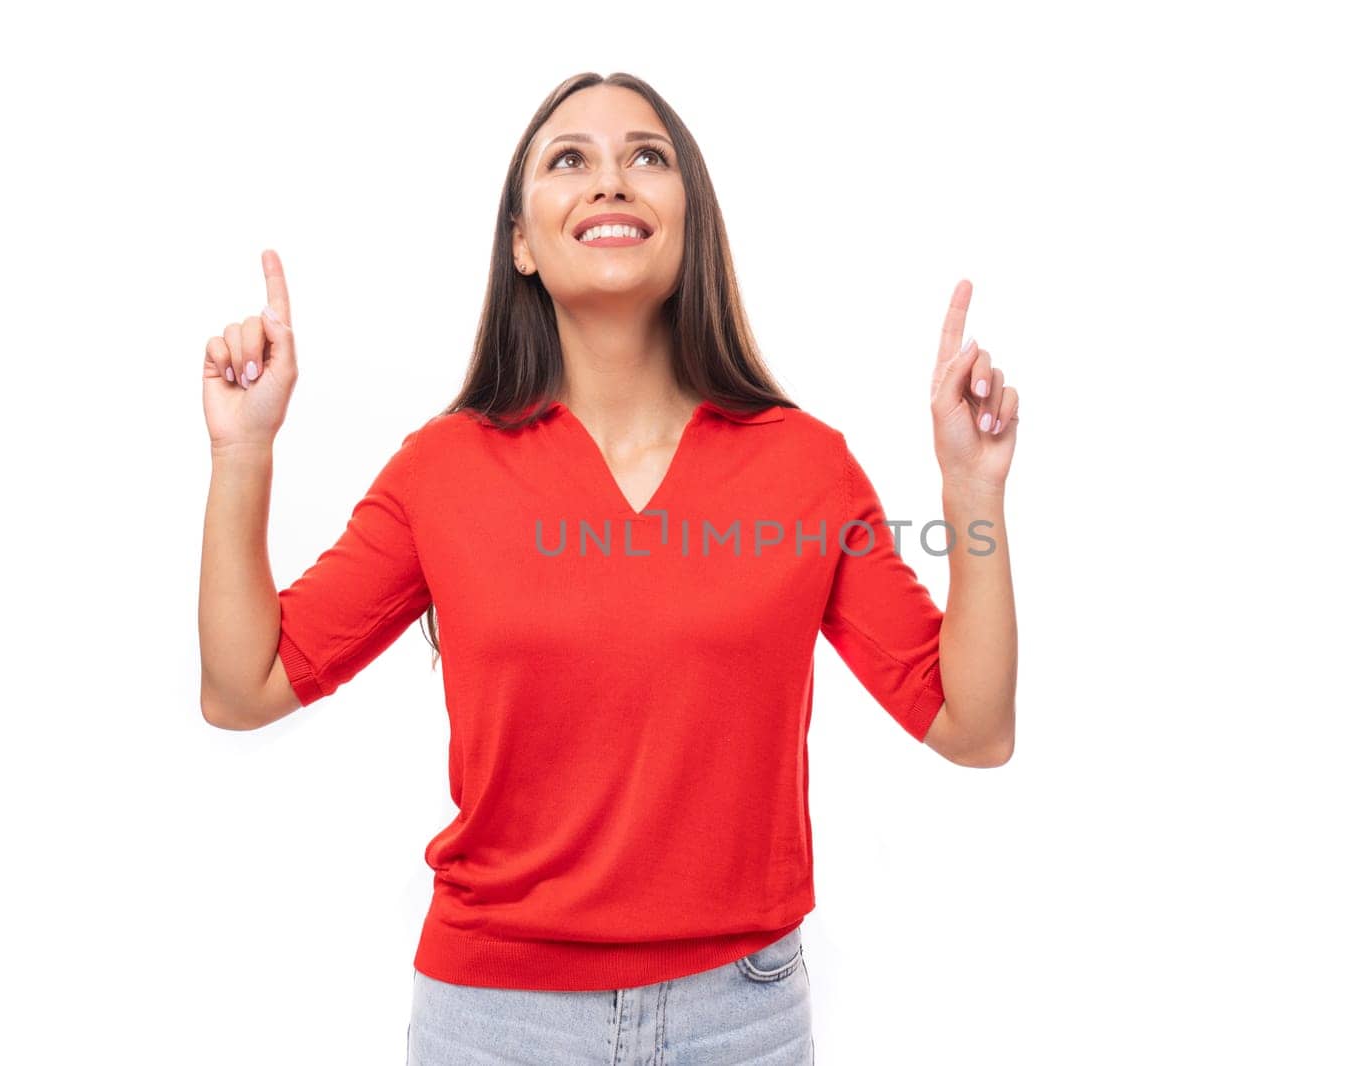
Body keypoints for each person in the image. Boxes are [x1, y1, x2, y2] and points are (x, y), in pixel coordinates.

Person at [198, 71, 1018, 1065]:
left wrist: (971, 494)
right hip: (495, 1017)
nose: (611, 181)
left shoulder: (803, 466)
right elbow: (243, 687)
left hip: (741, 1017)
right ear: (520, 242)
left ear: (689, 222)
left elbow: (971, 726)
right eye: (568, 160)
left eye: (647, 157)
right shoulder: (441, 470)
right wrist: (243, 453)